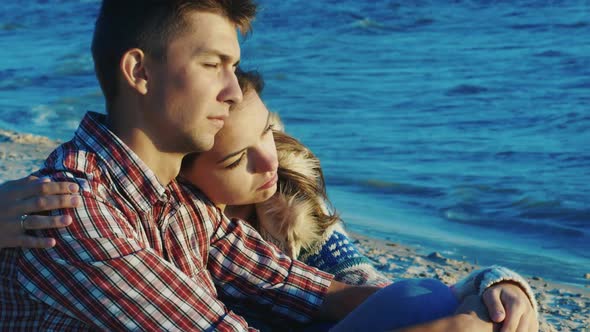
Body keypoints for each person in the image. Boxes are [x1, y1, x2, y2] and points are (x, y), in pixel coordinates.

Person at [0, 1, 538, 331]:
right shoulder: (65, 211)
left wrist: (487, 290)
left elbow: (315, 290)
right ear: (139, 71)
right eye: (213, 65)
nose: (234, 92)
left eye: (234, 67)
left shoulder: (184, 204)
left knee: (420, 302)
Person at [179, 70, 539, 331]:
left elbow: (373, 286)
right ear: (180, 169)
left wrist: (493, 285)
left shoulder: (290, 205)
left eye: (266, 134)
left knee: (434, 298)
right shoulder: (177, 236)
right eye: (237, 159)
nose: (268, 160)